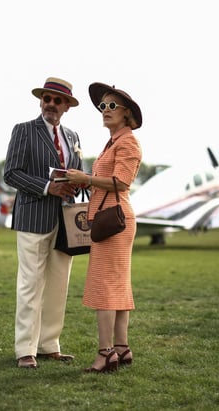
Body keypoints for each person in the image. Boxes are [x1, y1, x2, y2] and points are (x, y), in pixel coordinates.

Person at [4, 77, 84, 369]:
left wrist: (75, 183)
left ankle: (49, 345)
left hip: (65, 221)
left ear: (67, 106)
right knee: (30, 284)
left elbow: (78, 172)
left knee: (58, 285)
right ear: (41, 101)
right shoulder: (24, 130)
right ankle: (25, 349)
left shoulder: (74, 137)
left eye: (57, 100)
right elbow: (11, 173)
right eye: (46, 98)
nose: (51, 104)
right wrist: (47, 186)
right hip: (32, 217)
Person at [65, 82, 142, 373]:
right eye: (102, 106)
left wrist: (85, 179)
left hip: (115, 221)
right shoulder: (113, 142)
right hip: (110, 218)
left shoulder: (127, 142)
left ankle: (105, 352)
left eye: (112, 106)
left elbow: (122, 182)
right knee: (117, 288)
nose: (105, 111)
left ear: (126, 114)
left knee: (105, 288)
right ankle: (121, 349)